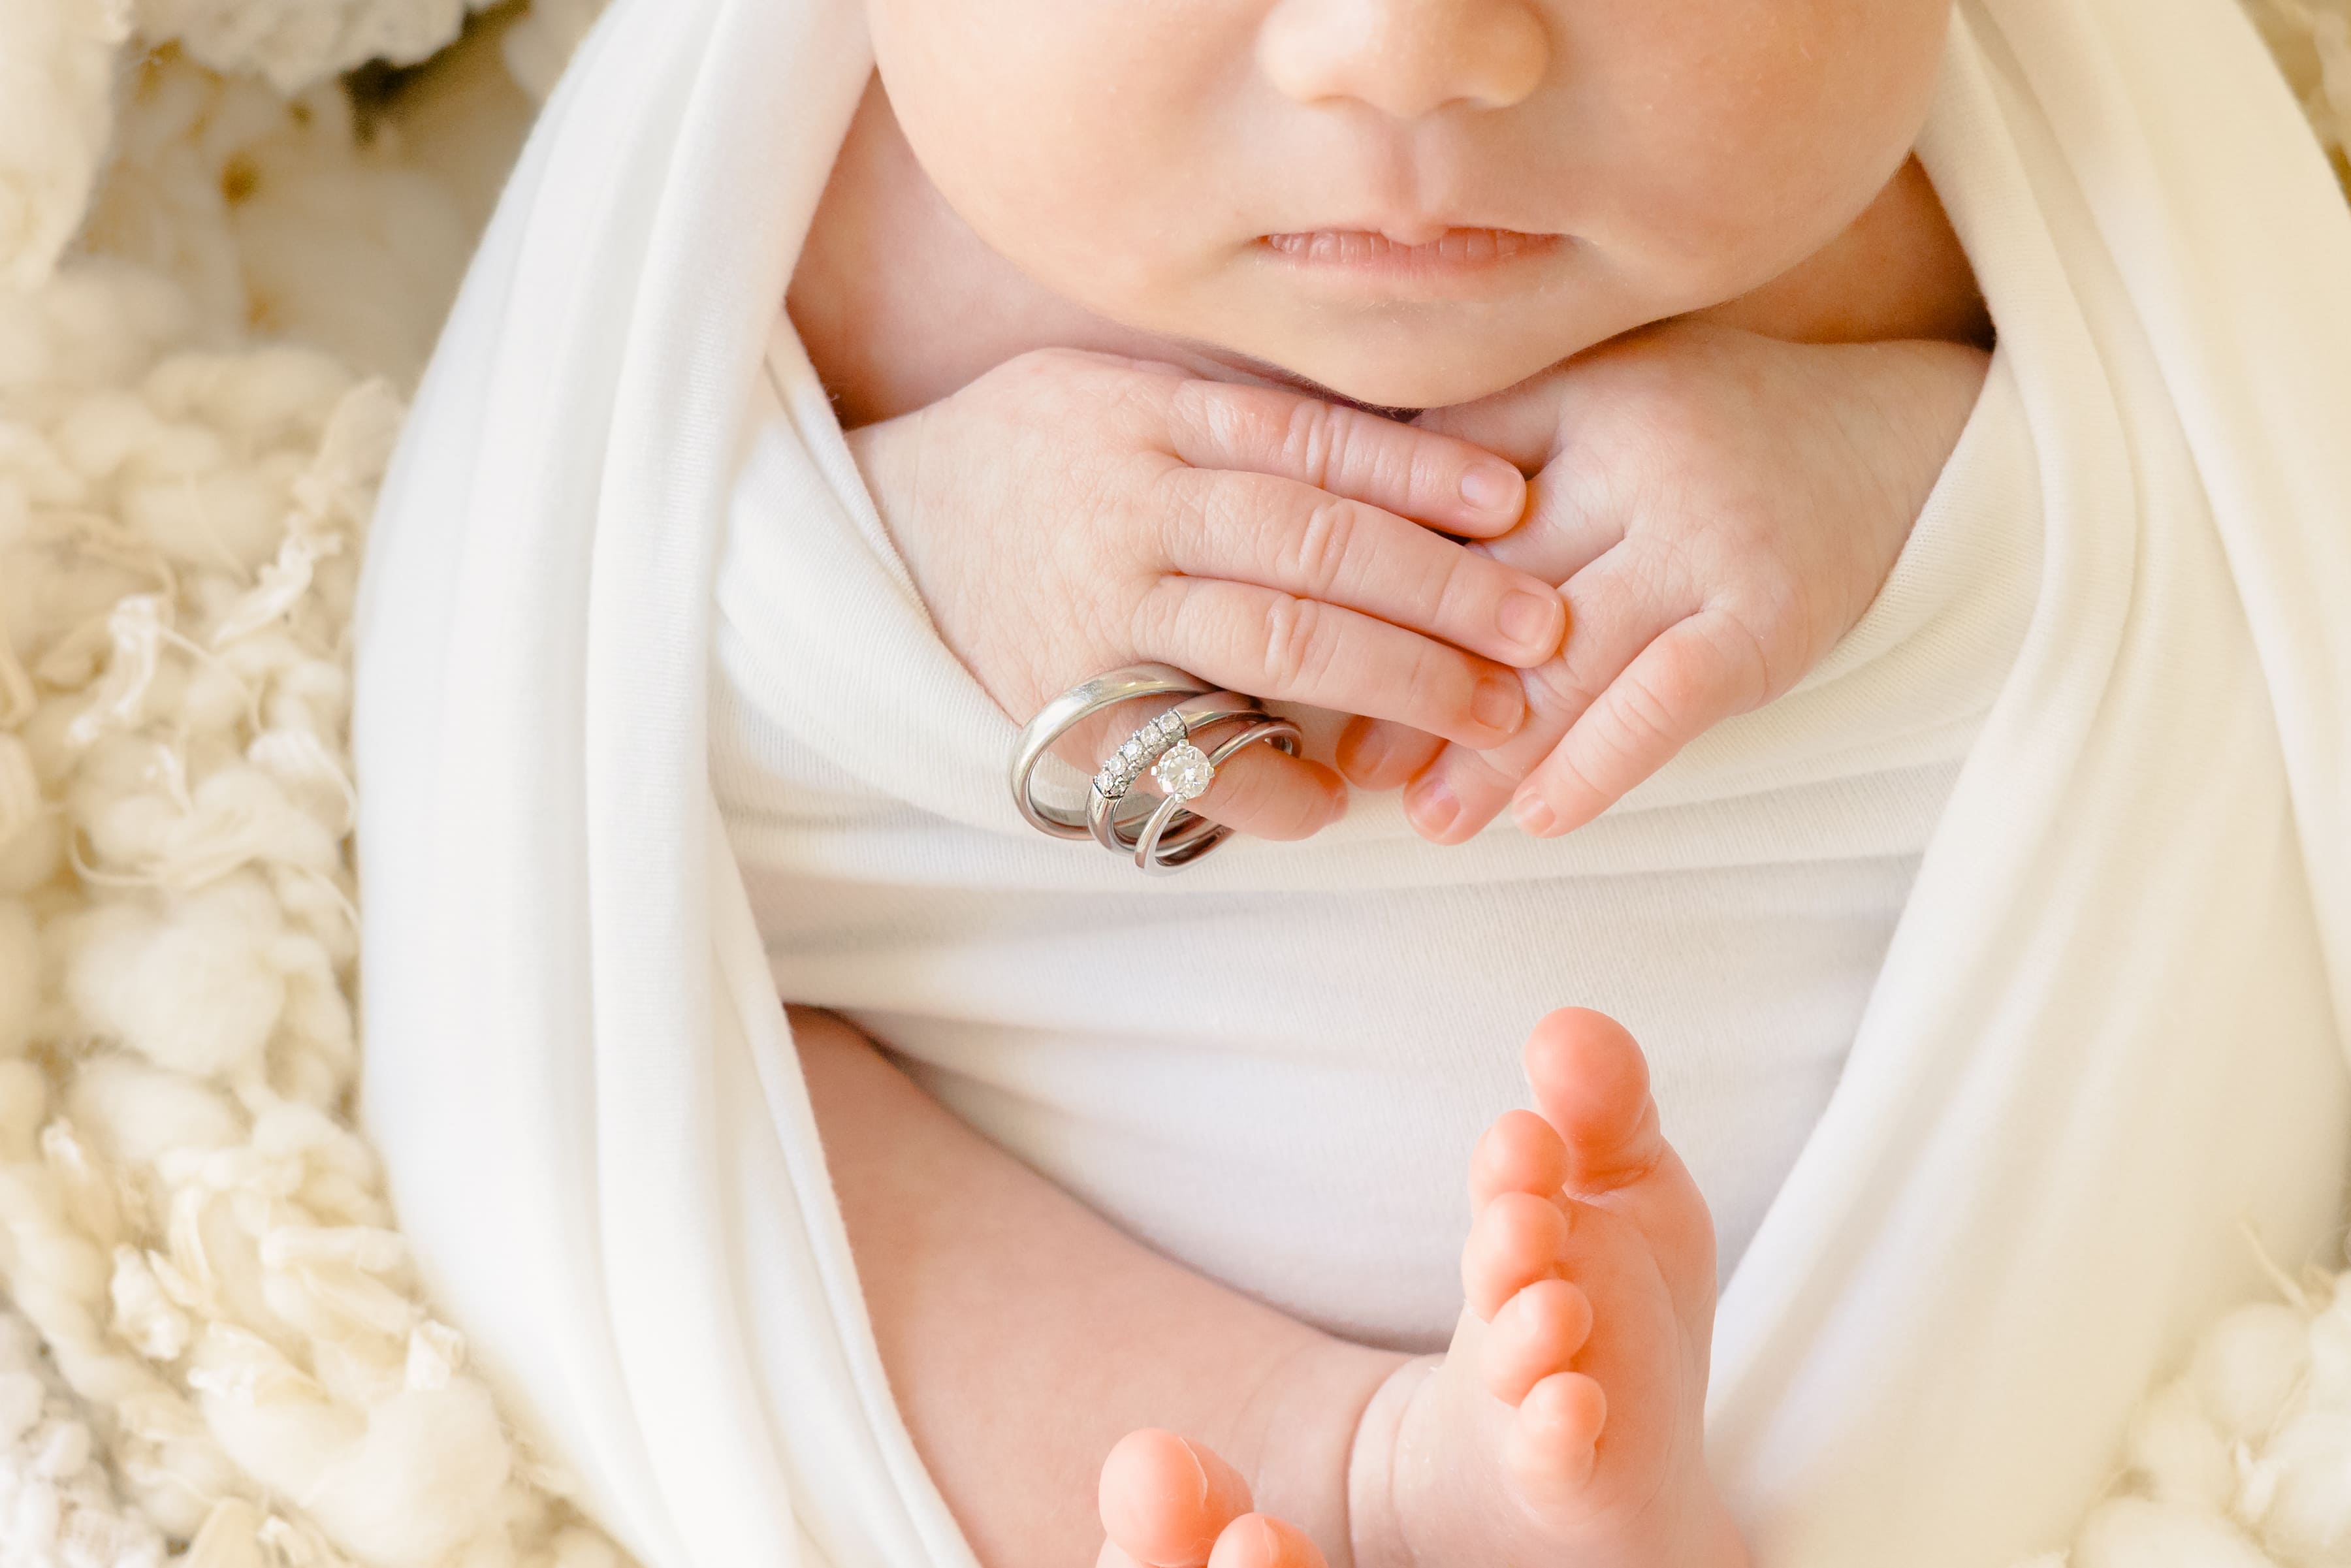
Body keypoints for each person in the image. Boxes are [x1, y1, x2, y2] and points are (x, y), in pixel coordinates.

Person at [350, 0, 2351, 1563]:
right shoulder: (836, 221)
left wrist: (1887, 482)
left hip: (1896, 1253)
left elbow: (2222, 513)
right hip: (1036, 1177)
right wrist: (936, 573)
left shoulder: (1969, 195)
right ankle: (1349, 1470)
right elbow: (569, 662)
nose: (1409, 55)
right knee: (748, 1134)